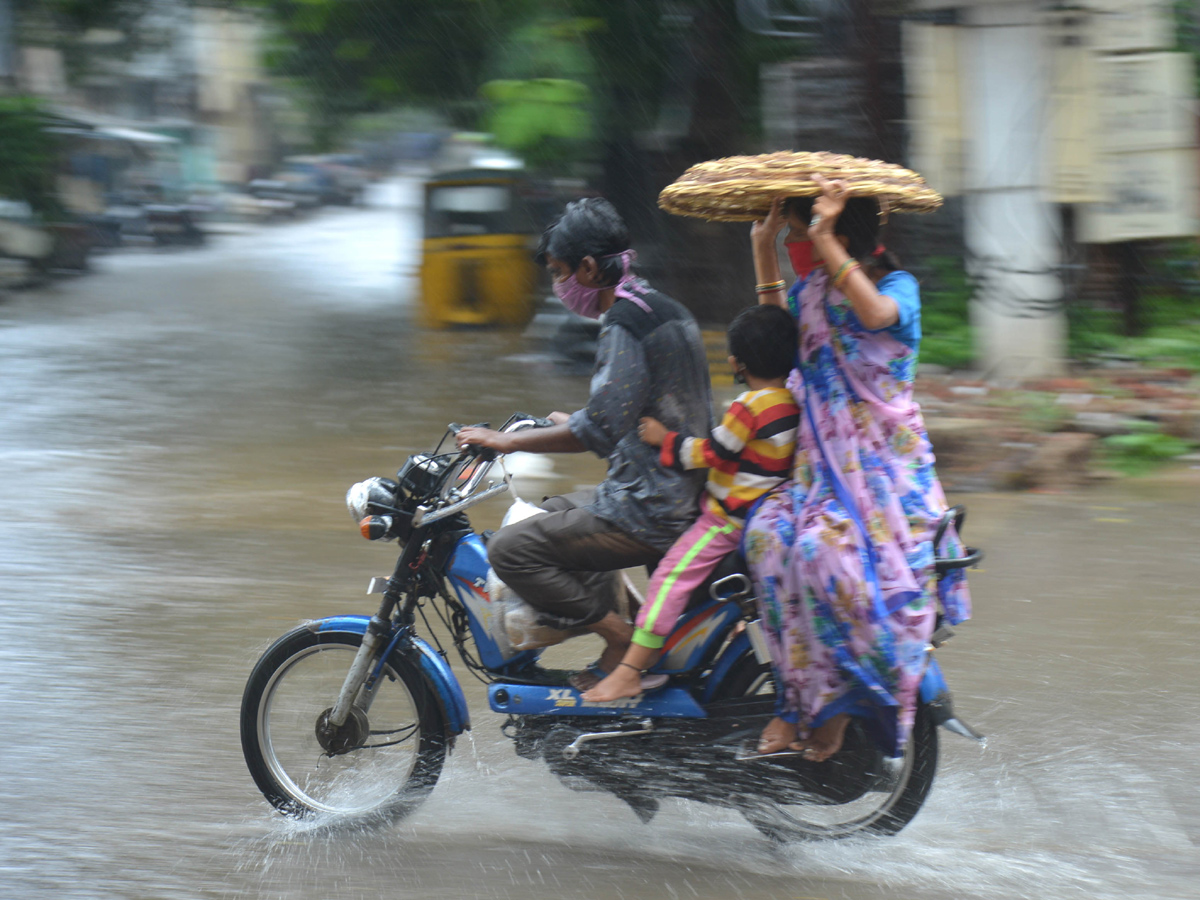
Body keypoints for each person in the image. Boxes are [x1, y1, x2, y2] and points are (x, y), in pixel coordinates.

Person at [745, 174, 971, 760]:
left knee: (825, 556)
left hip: (883, 480)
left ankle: (844, 706)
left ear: (839, 234)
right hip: (817, 473)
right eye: (798, 233)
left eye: (802, 233)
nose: (800, 243)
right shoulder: (812, 292)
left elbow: (873, 316)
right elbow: (776, 342)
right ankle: (793, 701)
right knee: (768, 541)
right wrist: (764, 249)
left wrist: (824, 240)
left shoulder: (899, 287)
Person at [455, 198, 714, 690]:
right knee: (552, 510)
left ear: (589, 268)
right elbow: (637, 410)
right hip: (679, 491)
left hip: (651, 507)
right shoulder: (662, 307)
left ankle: (618, 639)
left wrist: (506, 441)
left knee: (510, 550)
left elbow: (595, 430)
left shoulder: (622, 322)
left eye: (559, 273)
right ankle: (638, 629)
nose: (559, 287)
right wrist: (571, 419)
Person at [582, 304, 800, 702]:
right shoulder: (791, 401)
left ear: (737, 362)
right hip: (759, 511)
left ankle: (631, 668)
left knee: (670, 577)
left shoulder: (750, 407)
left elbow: (715, 452)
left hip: (726, 520)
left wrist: (664, 439)